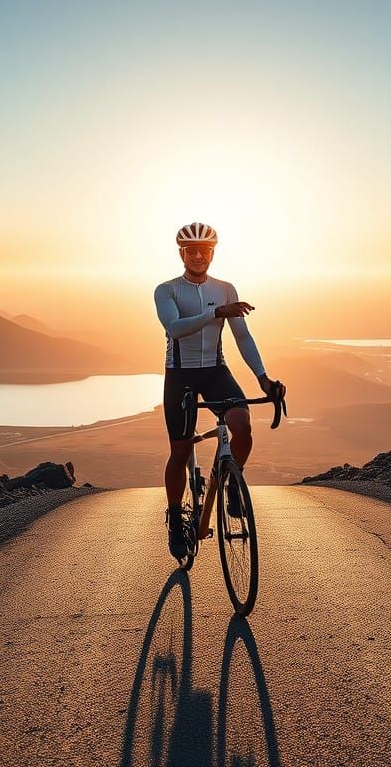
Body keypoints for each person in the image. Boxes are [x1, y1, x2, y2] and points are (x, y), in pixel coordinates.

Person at [154, 222, 285, 560]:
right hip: (180, 375)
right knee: (180, 452)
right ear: (182, 254)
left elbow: (243, 337)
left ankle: (231, 483)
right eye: (191, 251)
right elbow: (175, 328)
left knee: (243, 426)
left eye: (204, 250)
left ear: (212, 253)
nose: (198, 256)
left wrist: (263, 379)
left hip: (215, 371)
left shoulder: (225, 289)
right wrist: (216, 312)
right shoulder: (166, 290)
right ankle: (175, 520)